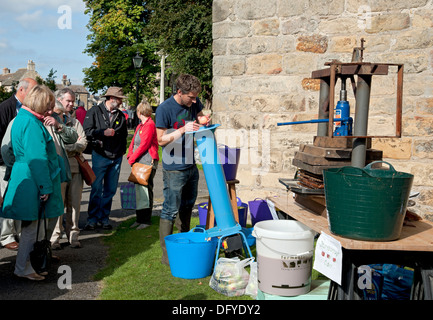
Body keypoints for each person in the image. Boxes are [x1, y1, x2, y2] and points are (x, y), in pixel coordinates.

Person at [1, 84, 64, 280]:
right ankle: (23, 268)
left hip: (26, 176)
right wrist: (45, 186)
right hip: (32, 179)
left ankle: (26, 266)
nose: (51, 110)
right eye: (48, 105)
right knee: (31, 229)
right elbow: (37, 159)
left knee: (30, 228)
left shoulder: (22, 118)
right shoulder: (31, 123)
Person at [155, 74, 210, 265]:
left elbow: (200, 115)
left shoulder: (194, 102)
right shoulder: (164, 109)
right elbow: (160, 140)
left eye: (196, 97)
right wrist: (181, 130)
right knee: (170, 209)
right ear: (179, 92)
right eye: (191, 98)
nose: (195, 101)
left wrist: (204, 119)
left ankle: (184, 242)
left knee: (187, 205)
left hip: (190, 165)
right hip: (174, 168)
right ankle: (167, 256)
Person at [0, 77, 37, 251]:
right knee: (6, 199)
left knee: (17, 199)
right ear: (22, 90)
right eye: (33, 90)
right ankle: (6, 236)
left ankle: (17, 233)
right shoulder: (5, 108)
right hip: (5, 164)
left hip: (20, 164)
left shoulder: (27, 110)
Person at [83, 87, 128, 230]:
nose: (121, 102)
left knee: (110, 190)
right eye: (119, 99)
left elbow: (124, 135)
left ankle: (104, 218)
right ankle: (92, 219)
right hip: (100, 155)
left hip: (116, 157)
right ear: (112, 99)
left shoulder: (120, 115)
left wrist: (121, 151)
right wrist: (103, 133)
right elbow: (86, 132)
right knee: (96, 188)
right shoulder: (94, 111)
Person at [51, 88, 87, 248]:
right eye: (69, 101)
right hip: (58, 169)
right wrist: (73, 146)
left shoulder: (75, 122)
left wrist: (68, 147)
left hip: (75, 168)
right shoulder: (50, 120)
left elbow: (83, 143)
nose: (72, 104)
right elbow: (54, 146)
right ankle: (54, 238)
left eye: (73, 101)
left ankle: (73, 235)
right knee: (58, 203)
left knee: (75, 204)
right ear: (59, 100)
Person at [127, 99, 159, 229]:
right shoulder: (140, 125)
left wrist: (131, 158)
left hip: (147, 161)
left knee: (146, 191)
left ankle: (145, 220)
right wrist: (130, 154)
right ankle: (139, 219)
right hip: (139, 161)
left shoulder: (150, 125)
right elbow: (134, 142)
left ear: (140, 112)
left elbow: (144, 145)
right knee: (139, 192)